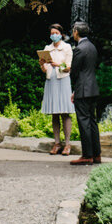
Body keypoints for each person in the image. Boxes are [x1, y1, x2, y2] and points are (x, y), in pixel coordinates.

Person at [69, 20, 101, 165]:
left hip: (82, 89)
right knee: (92, 122)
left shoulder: (79, 49)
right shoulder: (92, 47)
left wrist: (74, 89)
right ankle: (96, 154)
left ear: (76, 32)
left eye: (73, 31)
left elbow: (74, 72)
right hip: (93, 88)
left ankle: (87, 155)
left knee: (84, 122)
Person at [39, 23, 74, 155]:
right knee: (54, 112)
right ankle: (57, 143)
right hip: (51, 79)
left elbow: (69, 66)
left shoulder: (67, 47)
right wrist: (42, 65)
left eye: (56, 33)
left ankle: (68, 144)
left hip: (63, 79)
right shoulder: (47, 48)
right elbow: (44, 69)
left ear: (61, 34)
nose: (54, 35)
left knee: (65, 112)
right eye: (52, 33)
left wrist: (58, 64)